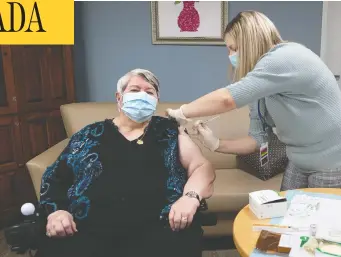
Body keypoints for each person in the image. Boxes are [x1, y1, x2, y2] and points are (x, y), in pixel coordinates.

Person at [167, 11, 341, 191]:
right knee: (286, 215)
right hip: (300, 159)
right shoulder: (261, 87)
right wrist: (216, 144)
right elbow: (256, 140)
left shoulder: (286, 57)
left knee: (317, 224)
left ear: (250, 41)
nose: (231, 56)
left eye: (234, 48)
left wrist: (182, 112)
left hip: (334, 157)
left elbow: (227, 99)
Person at [36, 68, 215, 257]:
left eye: (149, 92)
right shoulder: (88, 135)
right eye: (135, 90)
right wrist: (56, 212)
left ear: (156, 101)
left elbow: (202, 167)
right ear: (119, 98)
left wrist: (190, 197)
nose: (142, 96)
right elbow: (55, 177)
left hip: (161, 229)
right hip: (86, 230)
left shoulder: (170, 131)